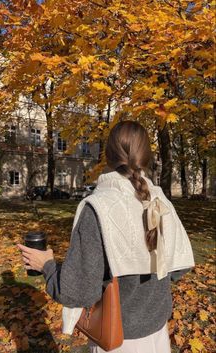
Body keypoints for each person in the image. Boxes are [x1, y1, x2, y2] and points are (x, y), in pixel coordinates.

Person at [18, 120, 195, 353]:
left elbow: (76, 292)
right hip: (158, 333)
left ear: (108, 155)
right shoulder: (161, 202)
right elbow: (178, 266)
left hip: (118, 340)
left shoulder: (99, 208)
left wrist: (47, 265)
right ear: (146, 156)